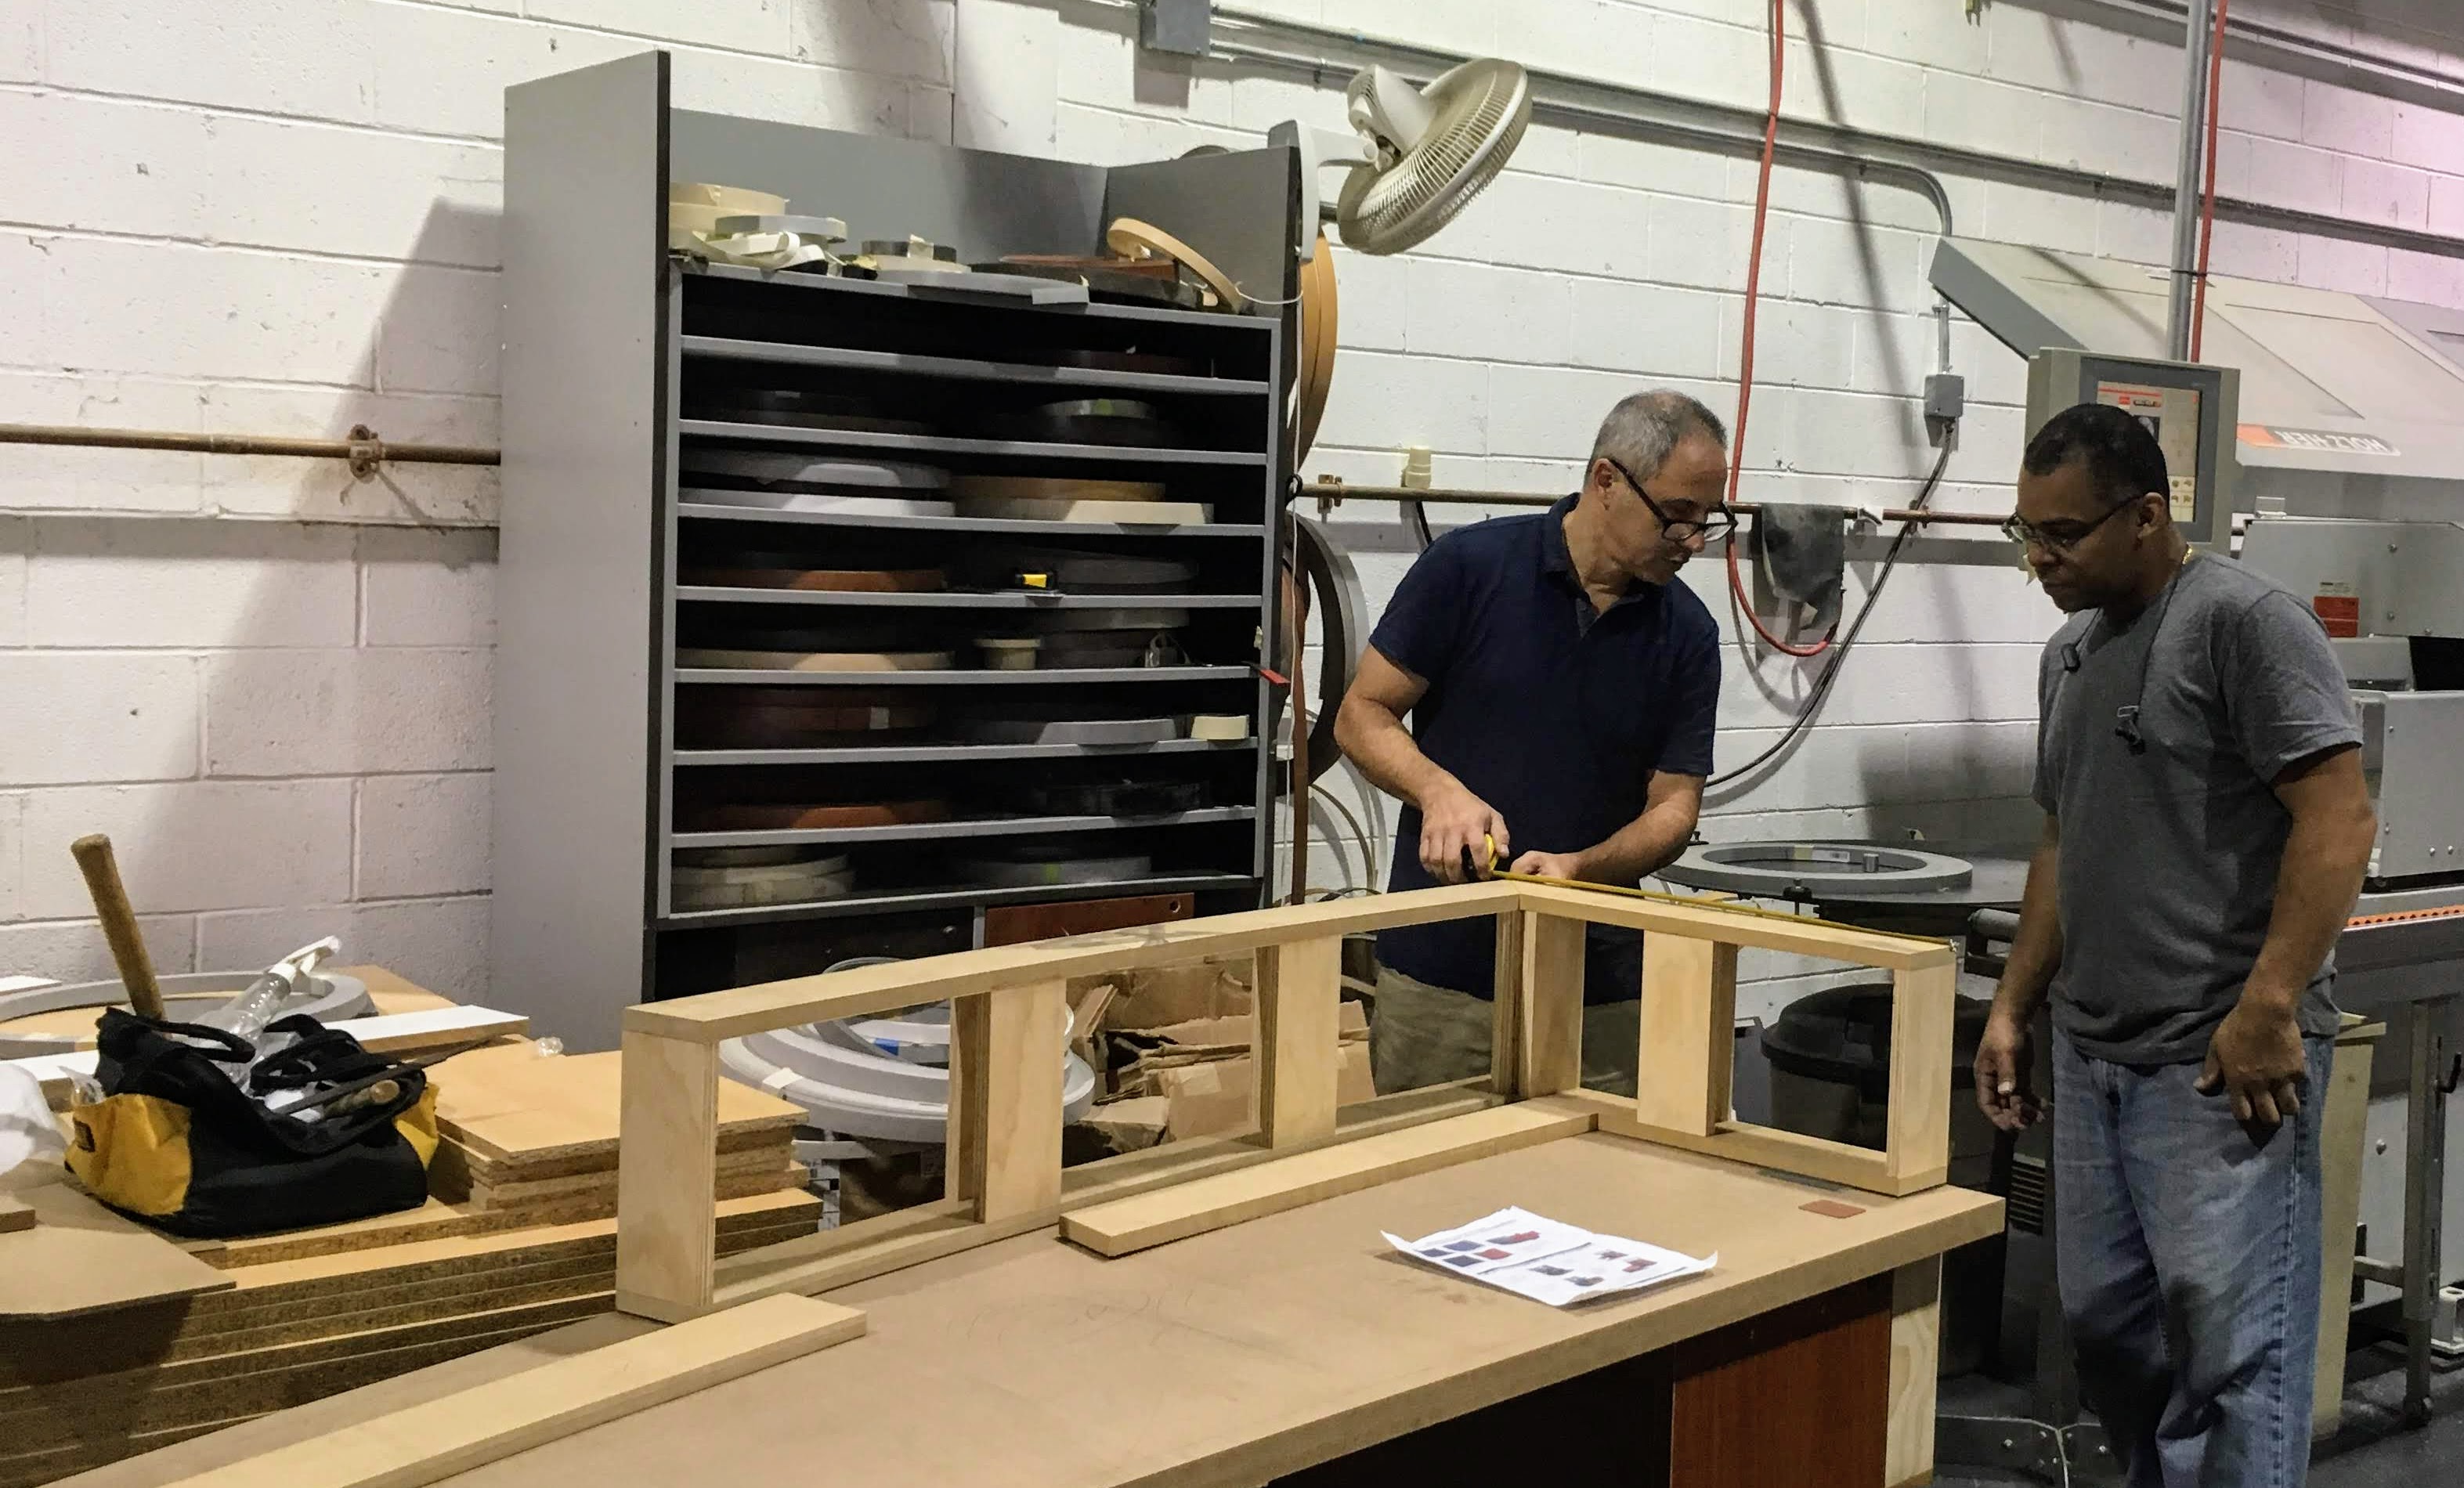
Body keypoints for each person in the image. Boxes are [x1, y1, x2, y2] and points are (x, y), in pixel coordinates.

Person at [1974, 403, 2377, 1488]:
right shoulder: (2068, 656)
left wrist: (2269, 1004)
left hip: (2215, 1066)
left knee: (2233, 1357)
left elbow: (2337, 818)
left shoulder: (2244, 625)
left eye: (2061, 536)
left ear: (2147, 514)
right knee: (2109, 1328)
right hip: (2095, 1054)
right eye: (2026, 535)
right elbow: (2063, 838)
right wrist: (2015, 1005)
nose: (2038, 561)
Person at [1334, 391, 1730, 1096]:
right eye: (1677, 517)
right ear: (1606, 482)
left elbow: (1674, 808)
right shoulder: (1469, 569)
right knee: (1431, 1193)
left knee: (1595, 1196)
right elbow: (1361, 712)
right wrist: (1439, 792)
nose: (1695, 542)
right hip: (1443, 980)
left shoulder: (1689, 635)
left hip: (1600, 992)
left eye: (1709, 520)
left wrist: (1583, 867)